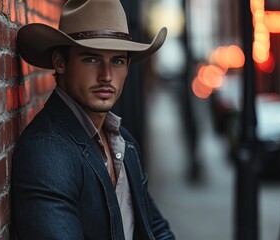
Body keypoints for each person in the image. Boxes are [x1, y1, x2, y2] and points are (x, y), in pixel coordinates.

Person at [11, 0, 174, 239]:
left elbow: (156, 229)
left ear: (128, 67)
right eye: (91, 59)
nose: (106, 76)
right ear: (60, 62)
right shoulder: (46, 151)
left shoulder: (123, 142)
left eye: (117, 61)